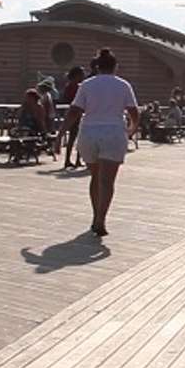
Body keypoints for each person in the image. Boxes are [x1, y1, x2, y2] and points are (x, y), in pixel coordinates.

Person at [57, 48, 140, 238]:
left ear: (97, 66)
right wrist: (131, 130)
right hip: (113, 131)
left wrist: (60, 134)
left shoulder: (86, 85)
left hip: (89, 132)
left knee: (95, 178)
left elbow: (75, 110)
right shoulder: (123, 85)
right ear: (115, 67)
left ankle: (95, 216)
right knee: (107, 181)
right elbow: (134, 112)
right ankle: (101, 219)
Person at [60, 66, 86, 169]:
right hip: (75, 114)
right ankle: (73, 160)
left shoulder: (73, 86)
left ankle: (73, 159)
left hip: (74, 114)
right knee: (75, 138)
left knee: (74, 138)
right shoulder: (74, 87)